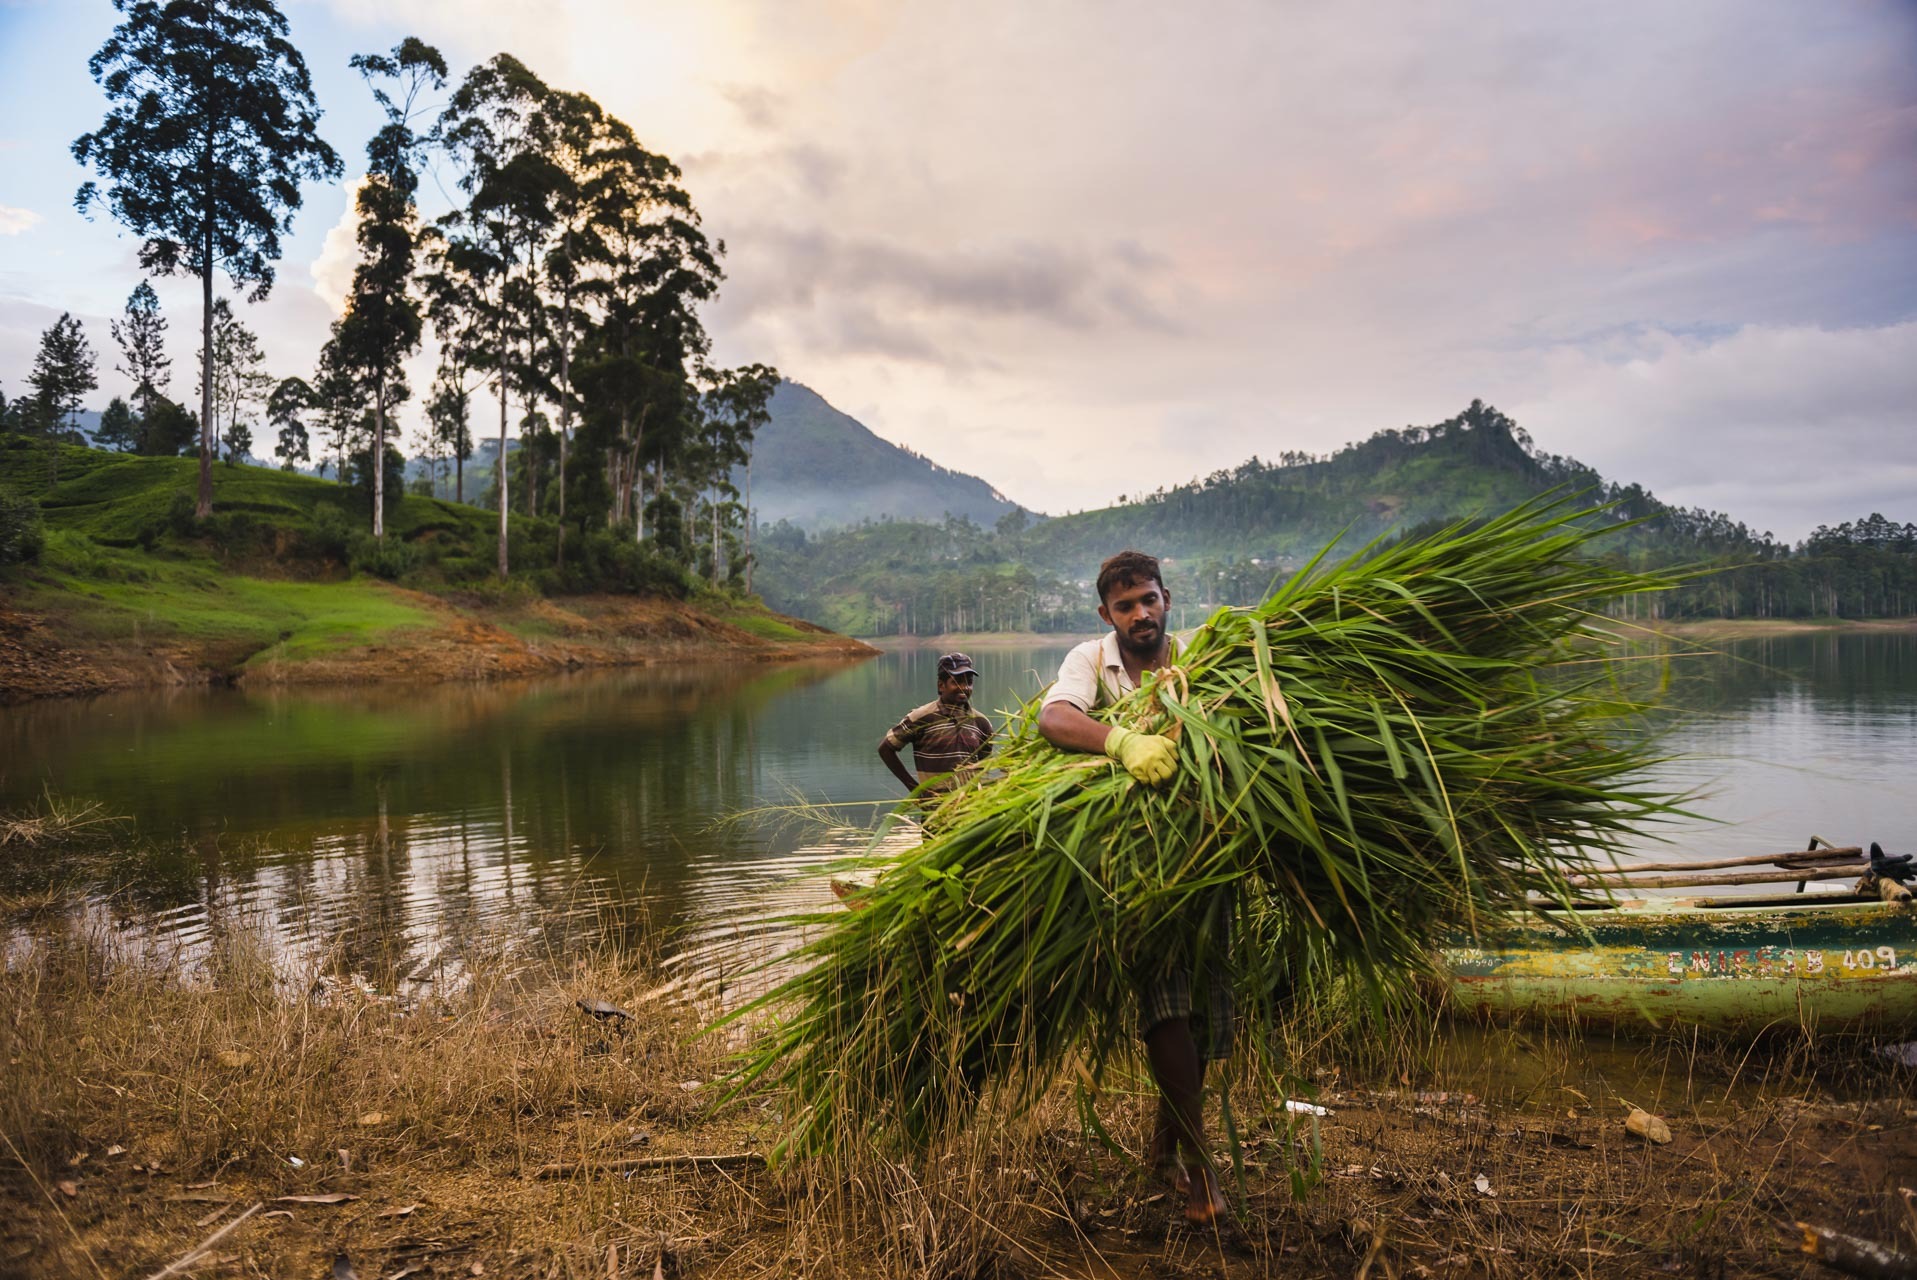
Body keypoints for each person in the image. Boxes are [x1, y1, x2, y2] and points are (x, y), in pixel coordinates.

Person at [1037, 549, 1232, 1226]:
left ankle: (1159, 1149)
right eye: (1125, 606)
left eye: (1148, 599)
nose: (1139, 614)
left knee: (1203, 1016)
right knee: (1166, 1007)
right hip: (1134, 868)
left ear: (1166, 598)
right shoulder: (1090, 660)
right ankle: (1202, 1171)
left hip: (1207, 856)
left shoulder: (1200, 656)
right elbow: (1054, 720)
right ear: (1106, 614)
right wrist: (1120, 742)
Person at [877, 652, 995, 795]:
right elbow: (885, 749)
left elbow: (983, 765)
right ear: (941, 685)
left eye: (968, 682)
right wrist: (915, 790)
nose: (965, 688)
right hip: (934, 809)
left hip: (970, 809)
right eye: (956, 681)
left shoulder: (981, 723)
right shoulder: (922, 717)